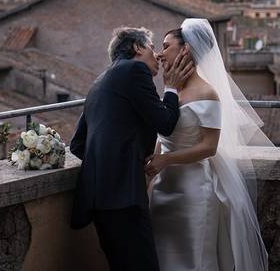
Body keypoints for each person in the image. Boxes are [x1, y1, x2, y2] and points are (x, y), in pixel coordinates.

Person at [145, 18, 272, 271]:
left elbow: (209, 147)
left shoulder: (207, 94)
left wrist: (165, 160)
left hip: (194, 191)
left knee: (195, 260)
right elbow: (163, 135)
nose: (159, 54)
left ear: (186, 50)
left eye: (166, 46)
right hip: (162, 189)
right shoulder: (172, 91)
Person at [70, 26, 195, 271]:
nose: (158, 55)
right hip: (123, 199)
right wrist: (170, 87)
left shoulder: (99, 82)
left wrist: (115, 160)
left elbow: (77, 145)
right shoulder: (135, 70)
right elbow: (166, 124)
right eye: (151, 47)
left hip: (98, 199)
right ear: (137, 48)